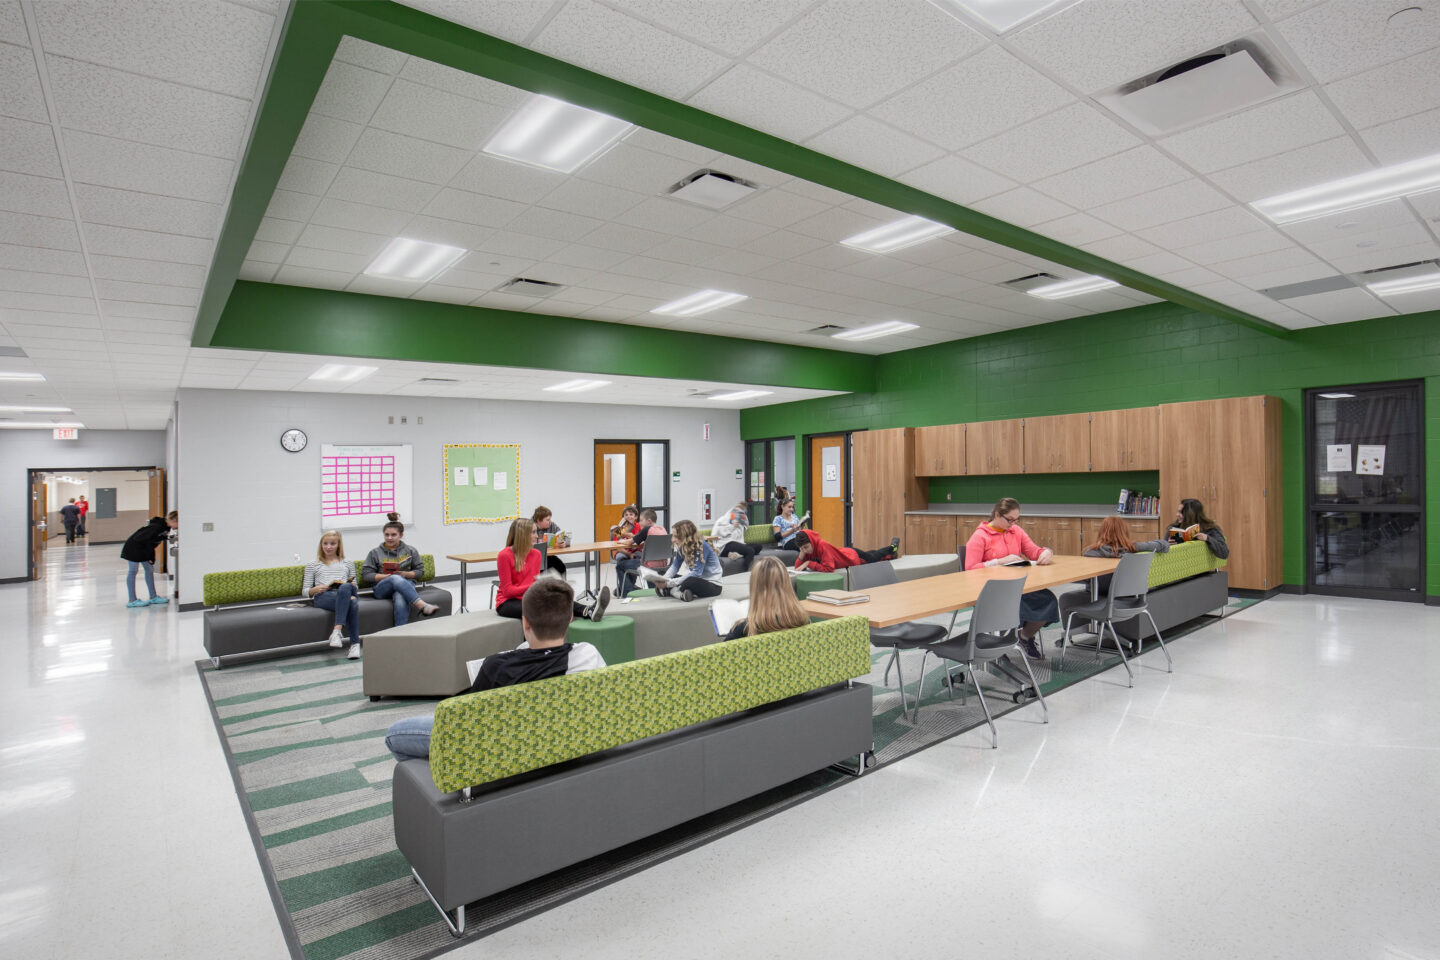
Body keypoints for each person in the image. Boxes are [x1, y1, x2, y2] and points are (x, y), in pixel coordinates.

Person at [384, 579, 606, 761]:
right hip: (563, 743)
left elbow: (469, 723)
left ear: (525, 622)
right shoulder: (588, 655)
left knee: (395, 734)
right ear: (569, 618)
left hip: (506, 749)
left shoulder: (497, 666)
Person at [961, 497, 1055, 661]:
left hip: (1018, 587)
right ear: (997, 515)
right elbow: (970, 568)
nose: (1013, 524)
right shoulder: (980, 536)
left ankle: (1024, 637)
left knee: (1049, 601)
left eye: (1016, 520)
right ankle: (1002, 642)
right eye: (1009, 520)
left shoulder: (1016, 531)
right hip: (993, 592)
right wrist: (998, 562)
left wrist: (1046, 552)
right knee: (1015, 607)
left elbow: (1033, 551)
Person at [1057, 516, 1170, 632]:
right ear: (1125, 532)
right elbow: (1164, 545)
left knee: (1065, 598)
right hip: (1132, 600)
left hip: (1101, 599)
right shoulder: (1134, 549)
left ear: (1101, 532)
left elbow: (1088, 579)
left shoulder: (1092, 553)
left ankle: (1070, 635)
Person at [497, 518, 609, 621]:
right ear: (522, 535)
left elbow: (533, 582)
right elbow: (507, 591)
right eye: (533, 532)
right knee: (538, 608)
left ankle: (588, 611)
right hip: (507, 602)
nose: (537, 536)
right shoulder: (504, 555)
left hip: (529, 596)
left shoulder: (536, 554)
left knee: (558, 598)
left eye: (536, 532)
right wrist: (536, 585)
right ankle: (532, 642)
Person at [361, 512, 438, 626]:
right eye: (386, 535)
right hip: (382, 589)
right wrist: (387, 577)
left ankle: (400, 634)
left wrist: (406, 574)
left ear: (401, 535)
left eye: (393, 535)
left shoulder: (411, 550)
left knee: (400, 595)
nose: (389, 538)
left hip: (405, 586)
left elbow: (420, 571)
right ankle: (421, 605)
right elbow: (366, 575)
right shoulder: (375, 552)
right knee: (395, 578)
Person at [303, 529, 362, 660]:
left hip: (345, 592)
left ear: (338, 545)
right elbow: (305, 591)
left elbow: (355, 586)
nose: (328, 547)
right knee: (352, 602)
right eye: (325, 543)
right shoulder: (313, 564)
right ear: (321, 544)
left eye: (332, 543)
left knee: (346, 587)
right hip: (324, 596)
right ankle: (355, 644)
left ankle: (336, 631)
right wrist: (315, 589)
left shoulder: (347, 562)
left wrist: (351, 586)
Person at [723, 556, 810, 640]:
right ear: (788, 585)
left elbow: (721, 653)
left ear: (755, 588)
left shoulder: (744, 629)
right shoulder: (803, 621)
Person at [636, 519, 724, 601]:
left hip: (713, 585)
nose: (673, 540)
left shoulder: (701, 546)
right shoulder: (682, 547)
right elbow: (675, 566)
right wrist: (664, 579)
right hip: (697, 579)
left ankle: (673, 592)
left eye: (676, 537)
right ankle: (679, 592)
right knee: (664, 574)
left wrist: (668, 584)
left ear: (686, 537)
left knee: (690, 581)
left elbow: (696, 573)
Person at [121, 511, 177, 608]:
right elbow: (143, 540)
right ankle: (132, 600)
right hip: (134, 548)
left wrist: (166, 537)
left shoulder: (165, 527)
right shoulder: (156, 527)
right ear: (174, 520)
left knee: (149, 570)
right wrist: (150, 557)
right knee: (133, 571)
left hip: (142, 549)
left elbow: (154, 538)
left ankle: (153, 596)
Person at [793, 529, 899, 573]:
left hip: (852, 557)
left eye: (805, 547)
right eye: (801, 548)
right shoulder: (806, 550)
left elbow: (829, 569)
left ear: (812, 541)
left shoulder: (822, 546)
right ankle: (892, 555)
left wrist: (809, 563)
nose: (804, 551)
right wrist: (801, 555)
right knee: (870, 554)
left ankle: (892, 547)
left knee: (873, 558)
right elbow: (797, 567)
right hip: (846, 553)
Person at [614, 508, 665, 597]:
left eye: (631, 514)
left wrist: (627, 536)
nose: (628, 516)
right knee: (622, 558)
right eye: (626, 515)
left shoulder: (643, 528)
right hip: (662, 563)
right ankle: (630, 587)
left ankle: (627, 592)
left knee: (620, 566)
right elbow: (645, 541)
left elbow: (633, 540)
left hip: (647, 562)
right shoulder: (662, 529)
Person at [709, 502, 756, 570]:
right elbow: (716, 533)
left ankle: (736, 554)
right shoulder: (723, 520)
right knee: (750, 551)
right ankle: (745, 572)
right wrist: (732, 526)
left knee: (758, 547)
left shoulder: (740, 523)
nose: (738, 514)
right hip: (725, 545)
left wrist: (742, 520)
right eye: (736, 511)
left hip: (736, 544)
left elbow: (745, 527)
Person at [531, 505, 569, 576]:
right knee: (540, 572)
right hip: (533, 558)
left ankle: (560, 587)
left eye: (550, 519)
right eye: (547, 520)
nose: (550, 522)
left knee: (561, 568)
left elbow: (565, 537)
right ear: (539, 520)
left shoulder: (552, 525)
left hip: (548, 557)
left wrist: (564, 542)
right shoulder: (528, 526)